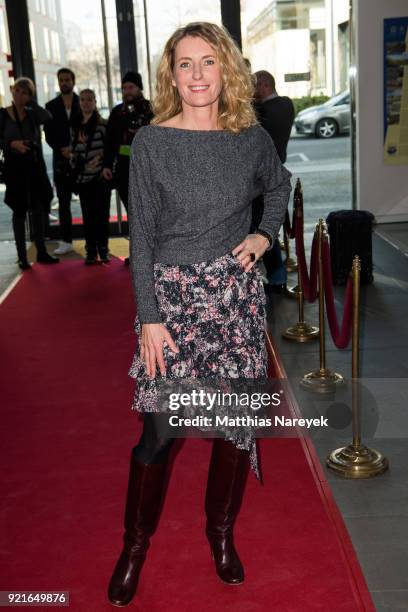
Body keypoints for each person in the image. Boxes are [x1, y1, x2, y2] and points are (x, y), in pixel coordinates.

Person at [107, 22, 291, 607]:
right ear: (171, 75)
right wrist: (149, 317)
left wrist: (263, 235)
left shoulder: (250, 138)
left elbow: (281, 185)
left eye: (207, 62)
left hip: (235, 301)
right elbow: (144, 235)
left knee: (235, 432)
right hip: (173, 305)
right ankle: (135, 545)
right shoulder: (153, 143)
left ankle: (221, 534)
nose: (196, 75)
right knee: (159, 433)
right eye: (184, 64)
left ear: (226, 69)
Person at [0, 77, 59, 269]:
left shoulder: (33, 114)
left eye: (25, 92)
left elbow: (48, 117)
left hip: (34, 167)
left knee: (38, 209)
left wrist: (30, 103)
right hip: (14, 169)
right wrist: (12, 144)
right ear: (12, 90)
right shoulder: (2, 115)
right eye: (17, 90)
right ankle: (22, 257)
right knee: (19, 211)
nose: (19, 95)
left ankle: (41, 252)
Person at [102, 72, 153, 264]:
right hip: (124, 169)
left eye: (131, 87)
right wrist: (107, 165)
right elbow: (109, 142)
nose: (127, 91)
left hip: (147, 170)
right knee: (132, 213)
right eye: (124, 88)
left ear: (139, 88)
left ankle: (152, 253)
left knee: (148, 212)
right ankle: (138, 254)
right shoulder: (117, 112)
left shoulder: (151, 110)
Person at [253, 70, 295, 292]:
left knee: (263, 228)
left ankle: (277, 278)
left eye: (254, 86)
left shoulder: (262, 112)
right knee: (268, 226)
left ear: (264, 85)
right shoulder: (287, 105)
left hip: (261, 178)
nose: (252, 91)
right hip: (277, 171)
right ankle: (275, 276)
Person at [70, 89, 111, 264]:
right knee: (88, 217)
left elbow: (109, 149)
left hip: (100, 178)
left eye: (89, 99)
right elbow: (73, 151)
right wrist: (75, 162)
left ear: (95, 102)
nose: (86, 102)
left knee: (102, 215)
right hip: (83, 178)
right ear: (79, 103)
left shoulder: (103, 124)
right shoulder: (76, 126)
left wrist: (100, 160)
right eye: (83, 100)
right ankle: (91, 250)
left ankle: (103, 248)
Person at [44, 67, 80, 256]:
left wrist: (74, 149)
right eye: (61, 80)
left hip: (81, 159)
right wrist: (62, 150)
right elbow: (48, 134)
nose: (64, 82)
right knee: (64, 202)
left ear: (73, 81)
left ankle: (94, 241)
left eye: (67, 79)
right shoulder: (50, 106)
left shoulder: (82, 102)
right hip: (60, 160)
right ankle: (66, 240)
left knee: (89, 202)